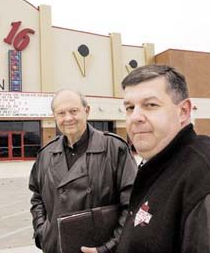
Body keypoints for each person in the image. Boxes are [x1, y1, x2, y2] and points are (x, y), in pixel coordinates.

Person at [117, 64, 210, 253]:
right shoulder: (163, 165)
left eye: (150, 105)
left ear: (183, 111)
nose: (135, 117)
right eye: (129, 107)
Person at [29, 89, 137, 253]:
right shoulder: (46, 155)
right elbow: (37, 197)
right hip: (56, 247)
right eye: (61, 113)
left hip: (99, 248)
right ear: (54, 117)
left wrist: (108, 248)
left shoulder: (114, 149)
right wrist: (43, 232)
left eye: (74, 111)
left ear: (87, 111)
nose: (68, 118)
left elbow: (132, 204)